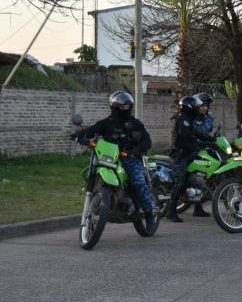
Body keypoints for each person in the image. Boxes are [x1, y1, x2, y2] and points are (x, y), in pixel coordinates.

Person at [71, 91, 158, 231]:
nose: (126, 109)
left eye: (128, 106)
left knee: (138, 182)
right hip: (109, 157)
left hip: (130, 158)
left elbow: (147, 142)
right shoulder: (106, 123)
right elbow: (92, 130)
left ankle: (148, 213)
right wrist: (78, 135)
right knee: (91, 173)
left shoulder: (136, 124)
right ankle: (100, 205)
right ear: (115, 107)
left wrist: (135, 151)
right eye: (123, 106)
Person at [167, 95, 206, 223]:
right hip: (180, 155)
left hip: (189, 153)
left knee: (195, 177)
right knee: (180, 181)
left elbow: (197, 135)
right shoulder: (183, 120)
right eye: (196, 106)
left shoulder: (190, 120)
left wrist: (213, 140)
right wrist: (196, 143)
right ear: (190, 107)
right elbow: (185, 138)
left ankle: (198, 207)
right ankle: (171, 211)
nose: (198, 108)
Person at [190, 92, 216, 217]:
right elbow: (200, 132)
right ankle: (196, 206)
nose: (204, 108)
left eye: (206, 105)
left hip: (205, 148)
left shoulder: (209, 118)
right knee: (197, 173)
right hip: (192, 149)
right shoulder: (191, 118)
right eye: (201, 106)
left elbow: (208, 133)